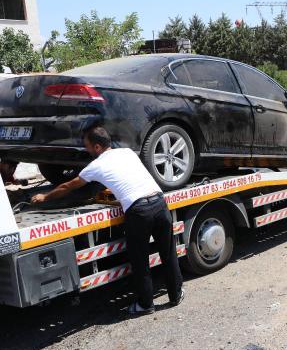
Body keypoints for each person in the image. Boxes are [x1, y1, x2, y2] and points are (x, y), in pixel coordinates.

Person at [31, 126, 183, 315]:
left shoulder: (96, 165)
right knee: (168, 253)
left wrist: (45, 197)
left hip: (139, 212)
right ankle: (176, 295)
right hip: (160, 203)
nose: (86, 150)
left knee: (140, 260)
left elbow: (68, 186)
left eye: (87, 146)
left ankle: (146, 305)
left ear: (96, 147)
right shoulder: (126, 152)